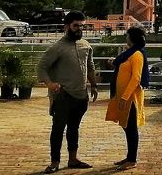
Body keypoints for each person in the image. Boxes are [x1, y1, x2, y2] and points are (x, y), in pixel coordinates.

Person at [37, 10, 99, 173]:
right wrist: (50, 84)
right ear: (66, 27)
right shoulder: (57, 47)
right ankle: (55, 162)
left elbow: (90, 67)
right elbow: (41, 67)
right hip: (63, 96)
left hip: (81, 95)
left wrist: (93, 85)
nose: (79, 29)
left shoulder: (86, 45)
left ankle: (73, 159)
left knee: (74, 128)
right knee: (58, 129)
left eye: (81, 26)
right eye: (75, 25)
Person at [105, 26, 149, 171]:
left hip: (131, 99)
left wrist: (125, 97)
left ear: (132, 38)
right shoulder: (128, 54)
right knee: (126, 127)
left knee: (131, 128)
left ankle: (132, 159)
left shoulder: (137, 55)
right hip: (123, 97)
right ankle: (129, 156)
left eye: (127, 36)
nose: (126, 38)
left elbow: (136, 78)